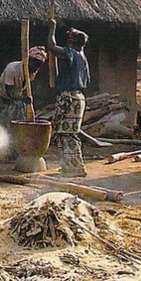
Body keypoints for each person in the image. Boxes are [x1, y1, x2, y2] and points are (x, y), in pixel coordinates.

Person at [46, 18, 90, 177]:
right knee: (65, 132)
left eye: (70, 39)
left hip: (70, 97)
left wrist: (52, 29)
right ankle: (68, 166)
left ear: (74, 42)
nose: (68, 41)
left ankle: (75, 168)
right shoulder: (83, 59)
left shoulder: (71, 53)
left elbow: (51, 47)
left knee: (67, 134)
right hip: (78, 98)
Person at [0, 46, 47, 128]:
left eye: (39, 66)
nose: (36, 68)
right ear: (28, 60)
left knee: (16, 120)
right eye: (35, 64)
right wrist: (23, 99)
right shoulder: (12, 68)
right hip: (0, 95)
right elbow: (9, 92)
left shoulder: (33, 72)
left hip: (15, 97)